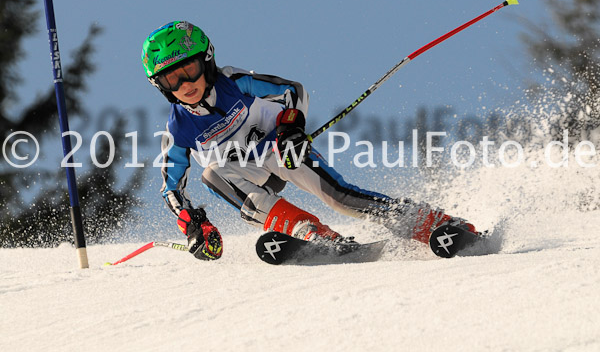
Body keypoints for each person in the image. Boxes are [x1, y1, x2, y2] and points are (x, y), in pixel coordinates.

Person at [141, 21, 477, 260]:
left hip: (282, 148)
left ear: (207, 61)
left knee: (340, 198)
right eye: (172, 78)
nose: (185, 83)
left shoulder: (234, 82)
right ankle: (308, 231)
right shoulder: (178, 130)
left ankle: (432, 222)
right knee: (212, 173)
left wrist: (290, 128)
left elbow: (292, 91)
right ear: (161, 86)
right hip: (248, 174)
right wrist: (195, 225)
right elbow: (171, 189)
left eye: (190, 70)